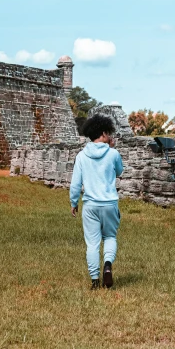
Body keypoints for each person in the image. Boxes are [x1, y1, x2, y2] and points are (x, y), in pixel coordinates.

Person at [70, 114, 124, 290]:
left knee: (92, 243)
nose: (110, 136)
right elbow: (119, 172)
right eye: (108, 133)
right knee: (109, 236)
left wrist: (73, 202)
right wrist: (112, 149)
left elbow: (76, 183)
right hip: (109, 204)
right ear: (102, 133)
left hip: (90, 205)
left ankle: (95, 281)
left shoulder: (81, 156)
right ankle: (107, 265)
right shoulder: (113, 154)